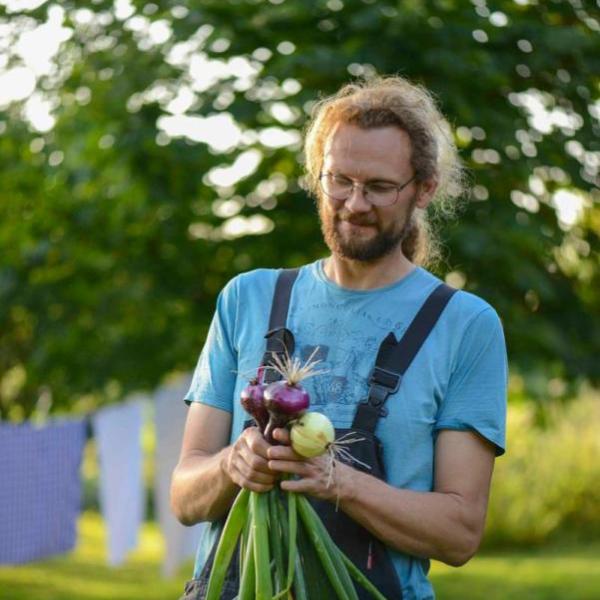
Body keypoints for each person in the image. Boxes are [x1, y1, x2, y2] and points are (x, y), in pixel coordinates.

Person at [171, 76, 507, 600]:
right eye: (338, 181)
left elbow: (460, 533)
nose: (353, 204)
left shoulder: (464, 324)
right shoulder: (248, 298)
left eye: (378, 187)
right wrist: (231, 465)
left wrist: (341, 483)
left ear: (424, 188)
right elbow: (184, 497)